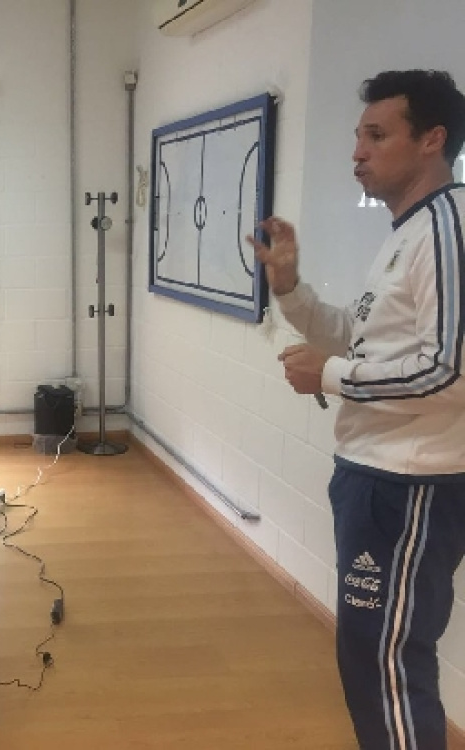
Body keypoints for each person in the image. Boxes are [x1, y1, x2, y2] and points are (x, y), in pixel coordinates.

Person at [248, 69, 465, 750]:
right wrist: (290, 288)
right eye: (358, 135)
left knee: (387, 663)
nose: (357, 152)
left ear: (432, 139)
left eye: (376, 135)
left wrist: (331, 375)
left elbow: (448, 370)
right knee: (371, 658)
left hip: (413, 482)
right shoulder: (409, 231)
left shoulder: (448, 227)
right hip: (376, 477)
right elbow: (359, 336)